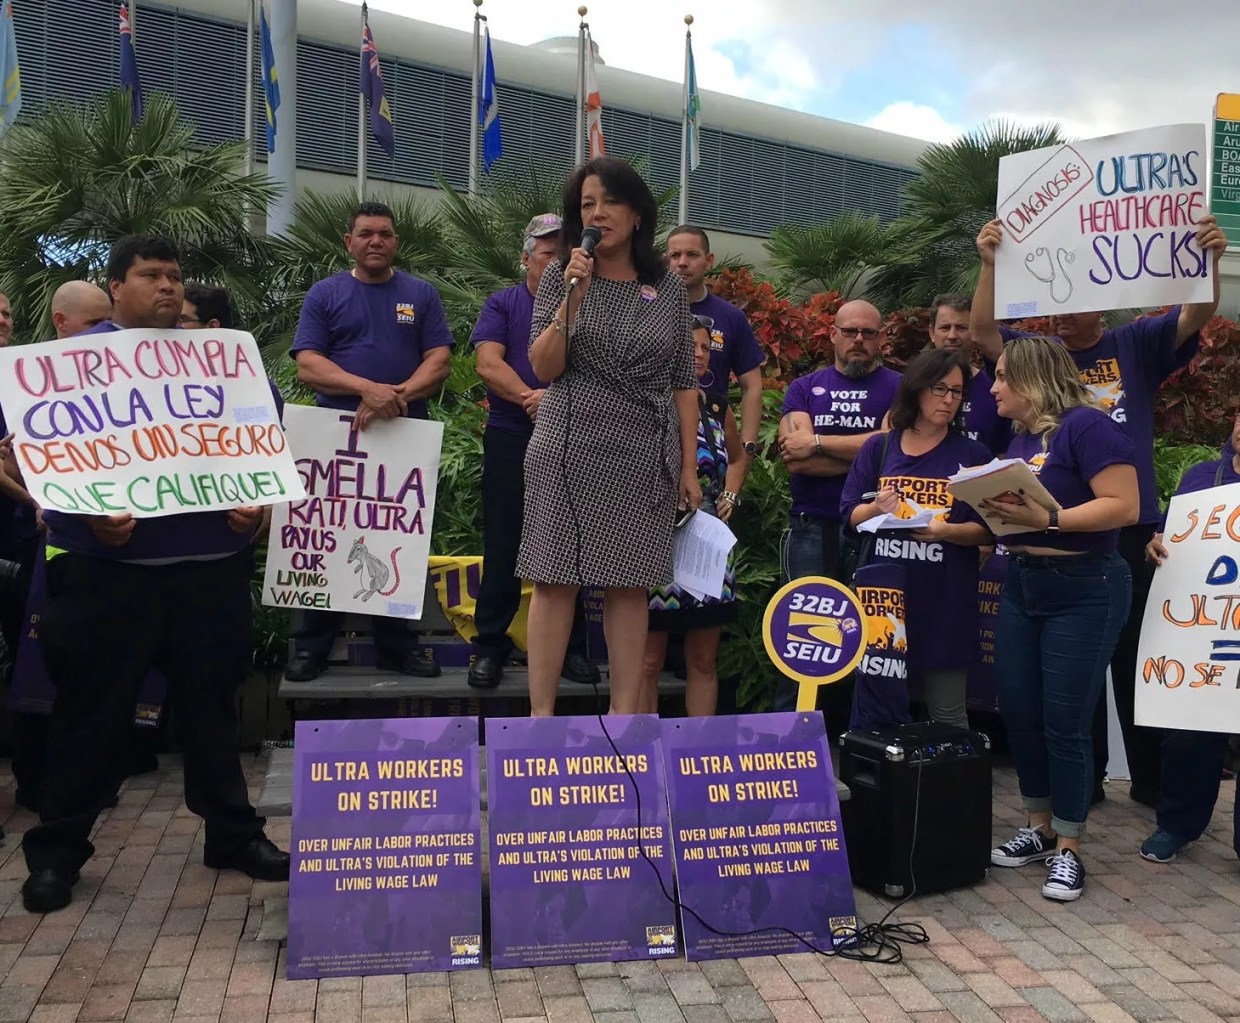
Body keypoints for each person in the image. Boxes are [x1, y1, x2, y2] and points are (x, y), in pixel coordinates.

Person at [20, 235, 289, 913]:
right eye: (151, 275)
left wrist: (255, 504)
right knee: (90, 716)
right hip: (111, 573)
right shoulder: (72, 366)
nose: (168, 286)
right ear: (116, 286)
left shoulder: (226, 360)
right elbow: (47, 458)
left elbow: (265, 435)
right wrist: (87, 518)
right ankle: (55, 853)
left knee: (212, 714)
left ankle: (232, 833)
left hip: (208, 572)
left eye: (175, 276)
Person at [971, 216, 1229, 807]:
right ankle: (1079, 792)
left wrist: (1209, 260)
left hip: (1128, 526)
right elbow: (984, 332)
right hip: (1049, 539)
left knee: (1132, 656)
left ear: (1105, 304)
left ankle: (1150, 785)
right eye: (1055, 301)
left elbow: (1196, 314)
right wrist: (989, 261)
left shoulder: (1132, 343)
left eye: (1077, 300)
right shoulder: (1037, 356)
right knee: (1067, 682)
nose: (1062, 313)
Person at [519, 155, 700, 717]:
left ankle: (626, 720)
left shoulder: (666, 288)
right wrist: (574, 293)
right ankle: (540, 721)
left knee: (630, 585)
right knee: (554, 579)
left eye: (609, 202)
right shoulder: (560, 276)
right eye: (587, 205)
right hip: (568, 443)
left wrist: (689, 467)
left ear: (638, 214)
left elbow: (683, 383)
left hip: (642, 449)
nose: (598, 213)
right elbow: (544, 367)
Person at [984, 336, 1137, 902]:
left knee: (1065, 720)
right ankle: (1039, 826)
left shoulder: (1087, 427)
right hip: (1024, 582)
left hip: (1084, 586)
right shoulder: (1025, 435)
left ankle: (1070, 845)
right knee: (1020, 712)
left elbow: (1123, 504)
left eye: (1002, 376)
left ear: (1031, 379)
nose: (994, 386)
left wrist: (1047, 517)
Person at [286, 201, 455, 682]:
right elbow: (308, 364)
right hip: (335, 437)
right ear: (349, 242)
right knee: (328, 535)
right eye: (365, 234)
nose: (375, 241)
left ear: (395, 242)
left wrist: (393, 397)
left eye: (384, 233)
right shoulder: (326, 293)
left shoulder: (420, 295)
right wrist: (366, 389)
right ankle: (312, 647)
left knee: (399, 536)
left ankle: (398, 645)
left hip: (405, 433)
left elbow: (439, 360)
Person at [467, 213, 598, 690]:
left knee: (572, 542)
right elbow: (487, 362)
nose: (557, 260)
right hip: (511, 433)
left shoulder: (590, 301)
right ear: (526, 259)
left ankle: (571, 650)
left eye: (564, 251)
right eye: (547, 252)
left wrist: (556, 401)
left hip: (574, 435)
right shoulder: (503, 303)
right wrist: (531, 398)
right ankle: (489, 646)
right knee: (503, 540)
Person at [840, 348, 991, 729]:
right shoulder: (880, 447)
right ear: (917, 389)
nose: (948, 400)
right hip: (884, 604)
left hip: (945, 605)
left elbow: (988, 529)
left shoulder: (972, 454)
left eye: (957, 392)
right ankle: (886, 791)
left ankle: (948, 789)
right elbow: (850, 517)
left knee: (947, 716)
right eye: (940, 389)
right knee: (881, 714)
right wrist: (877, 509)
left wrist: (946, 531)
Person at [773, 300, 901, 720]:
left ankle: (861, 737)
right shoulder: (804, 387)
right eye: (850, 332)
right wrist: (866, 448)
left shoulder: (900, 388)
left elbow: (890, 452)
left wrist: (821, 443)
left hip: (875, 530)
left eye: (868, 333)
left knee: (869, 636)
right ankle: (792, 739)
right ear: (833, 335)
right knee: (801, 634)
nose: (858, 340)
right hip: (812, 526)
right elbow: (796, 457)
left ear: (880, 339)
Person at [1139, 418, 1240, 863]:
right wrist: (1156, 543)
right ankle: (1177, 825)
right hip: (1206, 628)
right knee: (1190, 732)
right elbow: (1171, 536)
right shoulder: (1202, 477)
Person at [640, 314, 746, 717]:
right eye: (690, 347)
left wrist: (731, 494)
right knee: (647, 662)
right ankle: (644, 754)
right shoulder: (646, 401)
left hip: (707, 543)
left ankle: (699, 754)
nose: (699, 355)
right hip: (652, 541)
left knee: (703, 661)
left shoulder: (717, 406)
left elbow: (736, 458)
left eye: (705, 348)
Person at [665, 226, 765, 459]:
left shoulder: (731, 317)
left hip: (708, 441)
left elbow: (751, 386)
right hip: (654, 436)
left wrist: (747, 445)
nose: (682, 262)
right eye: (675, 255)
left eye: (692, 255)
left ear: (709, 261)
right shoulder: (648, 309)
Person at [925, 293, 1009, 456]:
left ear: (973, 333)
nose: (952, 336)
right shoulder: (912, 386)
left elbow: (1004, 453)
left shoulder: (993, 390)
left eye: (962, 328)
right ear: (931, 332)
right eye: (945, 328)